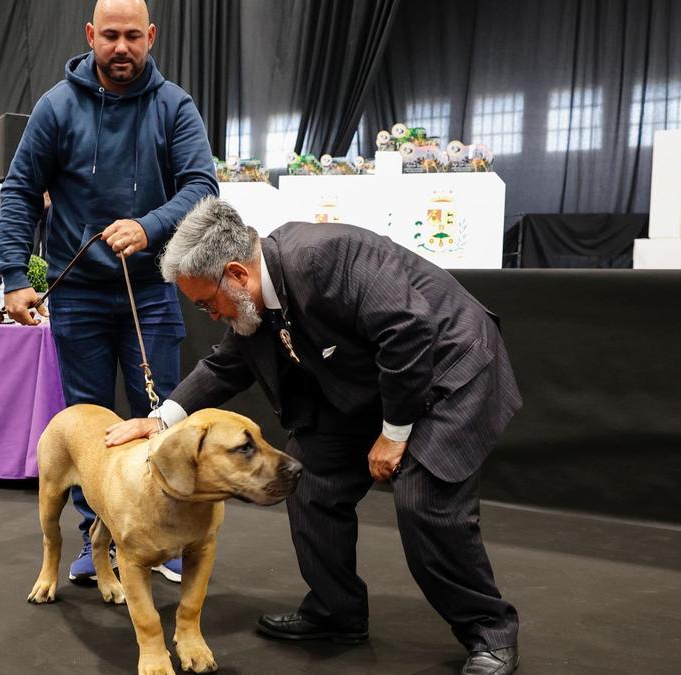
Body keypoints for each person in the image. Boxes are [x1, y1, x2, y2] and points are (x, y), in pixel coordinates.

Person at [105, 197, 522, 675]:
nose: (209, 316)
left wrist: (394, 433)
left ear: (237, 275)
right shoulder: (254, 301)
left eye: (205, 302)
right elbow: (226, 365)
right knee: (308, 477)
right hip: (376, 384)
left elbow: (408, 332)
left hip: (449, 369)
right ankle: (336, 611)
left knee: (423, 500)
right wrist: (161, 421)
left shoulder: (329, 255)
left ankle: (490, 633)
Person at [0, 0, 218, 585]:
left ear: (152, 37)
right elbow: (20, 189)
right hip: (79, 297)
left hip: (150, 290)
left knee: (162, 413)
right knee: (90, 428)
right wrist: (14, 276)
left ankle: (161, 537)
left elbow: (202, 186)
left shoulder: (175, 106)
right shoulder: (57, 106)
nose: (122, 48)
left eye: (133, 37)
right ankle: (99, 542)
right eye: (110, 36)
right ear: (91, 36)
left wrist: (149, 226)